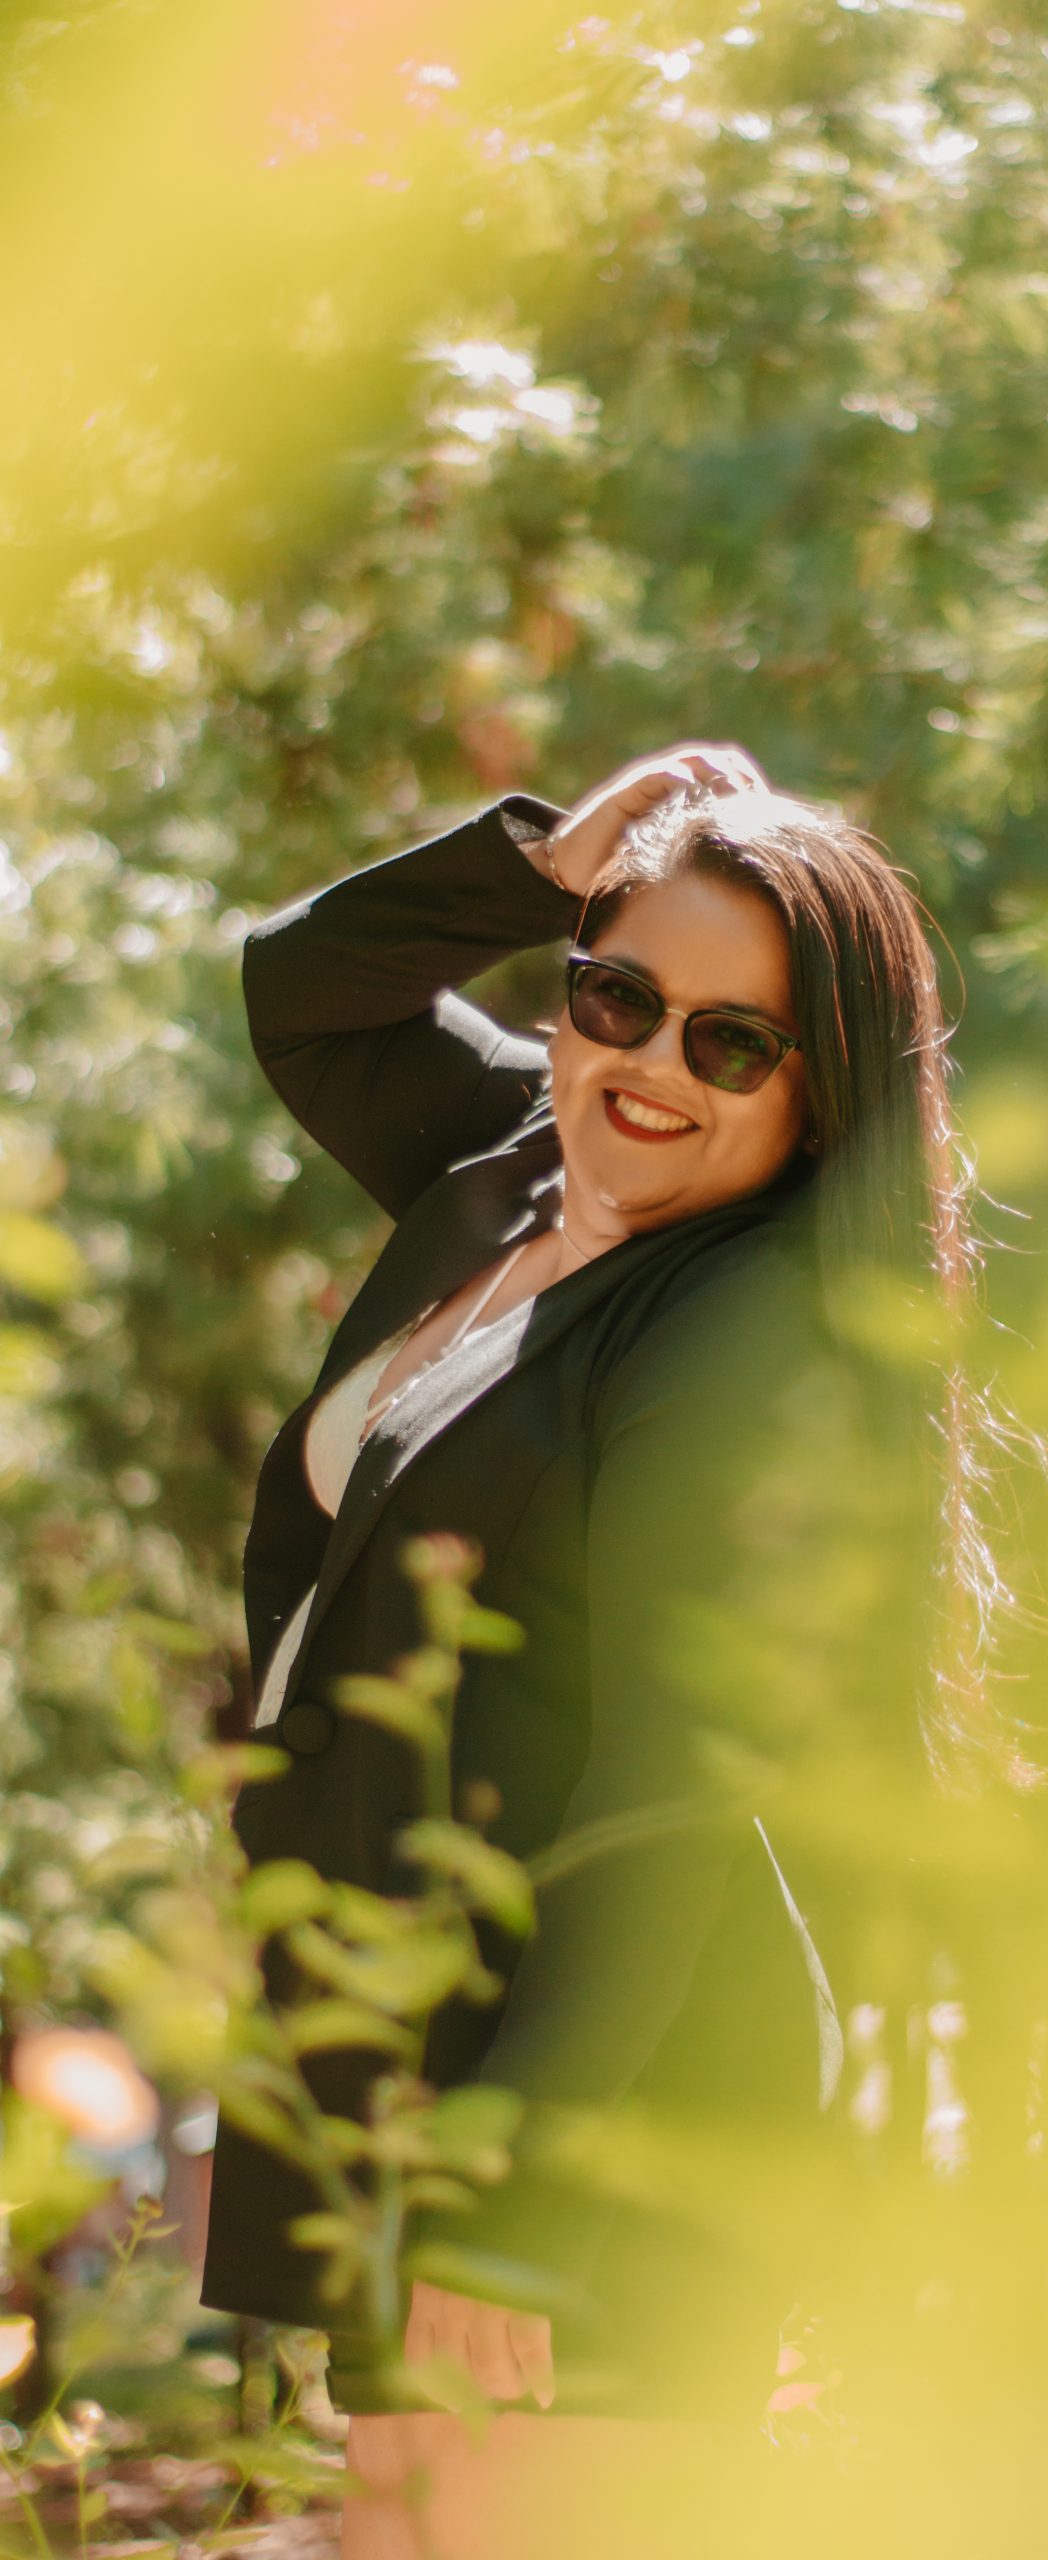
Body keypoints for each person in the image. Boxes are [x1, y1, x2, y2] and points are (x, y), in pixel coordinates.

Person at [197, 742, 989, 2556]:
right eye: (617, 995)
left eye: (733, 1041)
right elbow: (301, 993)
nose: (650, 1063)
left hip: (592, 2096)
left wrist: (514, 2201)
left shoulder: (741, 1333)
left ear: (821, 1093)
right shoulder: (512, 1172)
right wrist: (545, 864)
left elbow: (678, 1780)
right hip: (421, 2048)